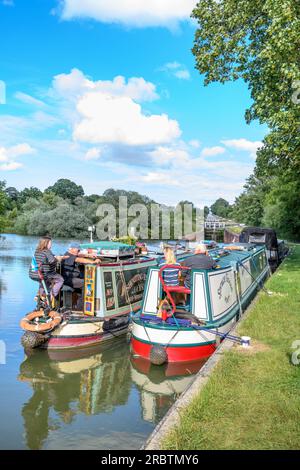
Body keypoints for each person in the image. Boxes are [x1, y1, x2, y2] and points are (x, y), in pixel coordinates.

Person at [30, 236, 67, 303]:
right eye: (50, 243)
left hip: (33, 273)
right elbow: (52, 260)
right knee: (60, 279)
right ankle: (50, 296)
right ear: (46, 243)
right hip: (43, 274)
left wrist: (54, 257)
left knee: (44, 281)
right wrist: (59, 259)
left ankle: (39, 296)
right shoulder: (47, 251)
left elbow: (45, 259)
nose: (51, 245)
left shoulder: (37, 251)